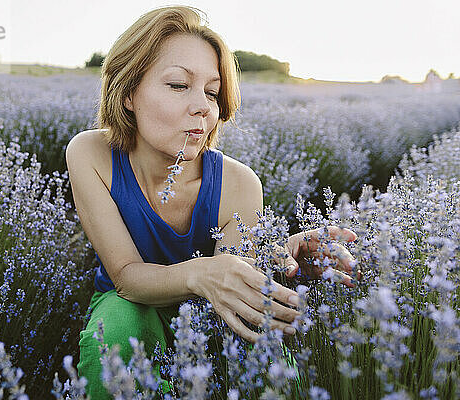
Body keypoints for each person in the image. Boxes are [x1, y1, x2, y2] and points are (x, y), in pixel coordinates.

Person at [66, 5, 357, 399]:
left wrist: (287, 263)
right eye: (177, 85)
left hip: (210, 310)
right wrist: (201, 271)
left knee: (264, 354)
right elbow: (128, 277)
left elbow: (235, 289)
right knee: (116, 332)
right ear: (129, 91)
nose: (203, 106)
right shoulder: (90, 154)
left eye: (212, 92)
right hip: (128, 303)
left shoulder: (238, 182)